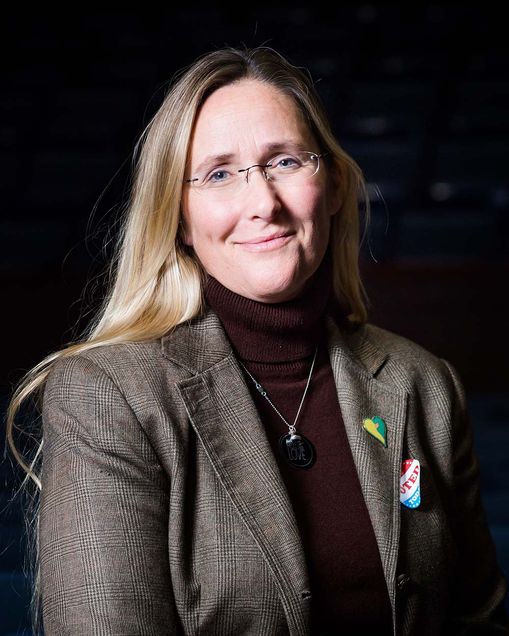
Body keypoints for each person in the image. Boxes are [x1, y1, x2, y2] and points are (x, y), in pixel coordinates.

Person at [6, 45, 509, 636]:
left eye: (286, 162)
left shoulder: (421, 382)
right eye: (219, 174)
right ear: (180, 221)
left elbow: (478, 620)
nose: (263, 204)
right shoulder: (109, 396)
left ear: (336, 186)